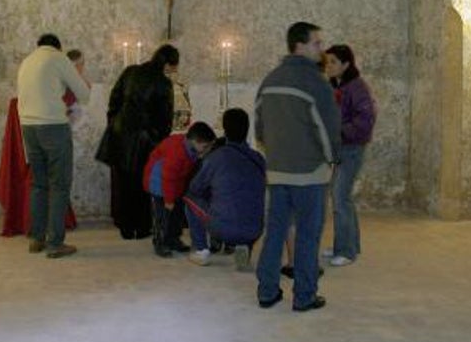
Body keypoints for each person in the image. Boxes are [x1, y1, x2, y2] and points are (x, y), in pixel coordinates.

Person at [253, 22, 341, 312]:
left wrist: (277, 155)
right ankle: (304, 296)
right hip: (310, 174)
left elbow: (261, 130)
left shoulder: (270, 80)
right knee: (307, 235)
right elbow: (327, 128)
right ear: (299, 46)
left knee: (275, 232)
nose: (322, 49)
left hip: (277, 171)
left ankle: (267, 292)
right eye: (317, 43)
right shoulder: (316, 83)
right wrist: (332, 161)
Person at [16, 34, 90, 258]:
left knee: (38, 184)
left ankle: (37, 239)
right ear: (58, 47)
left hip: (28, 127)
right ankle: (55, 243)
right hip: (53, 127)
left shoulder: (27, 61)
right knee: (59, 184)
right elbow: (84, 94)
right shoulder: (58, 59)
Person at [97, 44, 179, 240]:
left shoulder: (130, 71)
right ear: (168, 64)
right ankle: (142, 228)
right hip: (145, 139)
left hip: (119, 135)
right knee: (143, 184)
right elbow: (164, 117)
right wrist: (160, 139)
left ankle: (125, 227)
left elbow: (114, 99)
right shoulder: (163, 83)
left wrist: (115, 123)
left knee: (123, 184)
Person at [183, 108, 266, 271]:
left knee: (189, 197)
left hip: (223, 228)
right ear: (248, 129)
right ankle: (244, 247)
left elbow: (195, 188)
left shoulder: (217, 157)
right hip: (255, 229)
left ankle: (201, 249)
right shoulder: (258, 158)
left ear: (225, 130)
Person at [324, 44, 377, 267]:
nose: (328, 66)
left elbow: (366, 120)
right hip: (341, 148)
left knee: (339, 197)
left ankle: (345, 251)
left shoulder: (357, 87)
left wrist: (339, 129)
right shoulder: (338, 85)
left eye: (333, 62)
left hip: (352, 148)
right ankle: (349, 245)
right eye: (327, 62)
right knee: (342, 197)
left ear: (346, 64)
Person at [142, 121, 216, 257]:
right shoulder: (177, 152)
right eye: (205, 147)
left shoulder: (192, 148)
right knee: (162, 216)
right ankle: (160, 242)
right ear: (195, 141)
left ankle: (173, 239)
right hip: (159, 185)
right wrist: (169, 200)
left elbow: (181, 174)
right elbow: (169, 177)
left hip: (174, 185)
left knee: (176, 215)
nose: (207, 151)